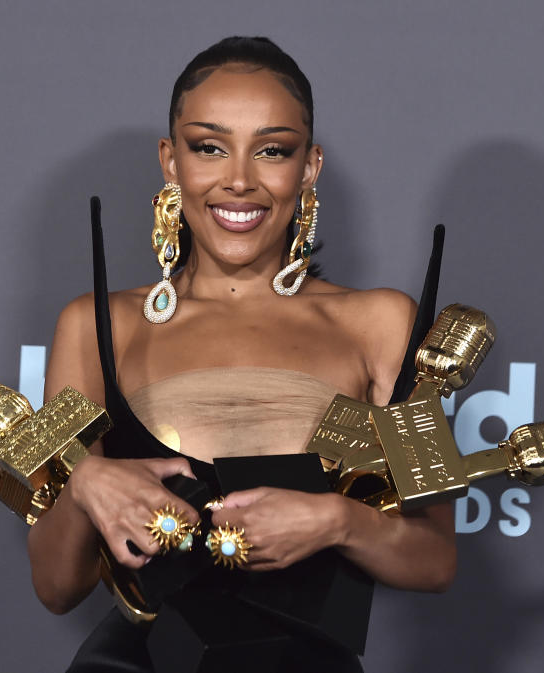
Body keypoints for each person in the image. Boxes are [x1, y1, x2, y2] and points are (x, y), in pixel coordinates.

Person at [26, 36, 456, 672]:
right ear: (172, 163)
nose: (239, 180)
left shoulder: (383, 324)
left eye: (273, 151)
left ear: (309, 167)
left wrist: (338, 521)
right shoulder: (94, 325)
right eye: (209, 147)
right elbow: (58, 587)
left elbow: (435, 558)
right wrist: (85, 481)